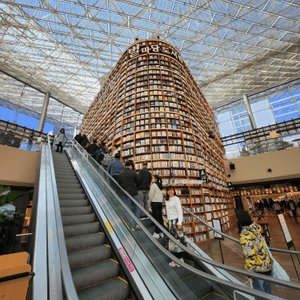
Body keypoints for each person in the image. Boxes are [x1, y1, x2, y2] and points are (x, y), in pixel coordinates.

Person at [236, 210, 272, 298]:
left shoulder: (245, 234)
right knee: (268, 292)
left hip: (258, 269)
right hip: (266, 264)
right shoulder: (255, 228)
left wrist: (249, 273)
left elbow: (250, 255)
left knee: (258, 294)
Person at [165, 185, 185, 267]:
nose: (170, 191)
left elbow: (180, 211)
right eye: (168, 190)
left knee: (178, 241)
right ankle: (176, 260)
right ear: (166, 192)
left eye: (172, 190)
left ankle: (180, 260)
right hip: (170, 222)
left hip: (176, 222)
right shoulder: (167, 200)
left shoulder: (176, 199)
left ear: (174, 191)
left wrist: (179, 222)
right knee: (172, 241)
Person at [118, 160, 140, 230]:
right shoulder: (133, 173)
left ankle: (131, 226)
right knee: (137, 207)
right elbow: (138, 181)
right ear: (130, 166)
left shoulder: (121, 174)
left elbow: (119, 184)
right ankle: (138, 224)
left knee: (128, 209)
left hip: (125, 194)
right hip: (134, 193)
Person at [149, 175, 164, 239]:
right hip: (160, 203)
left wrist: (150, 203)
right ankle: (162, 232)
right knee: (160, 217)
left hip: (154, 202)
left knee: (156, 218)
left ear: (156, 179)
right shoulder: (160, 185)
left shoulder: (154, 185)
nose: (152, 179)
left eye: (153, 178)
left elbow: (150, 195)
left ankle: (156, 233)